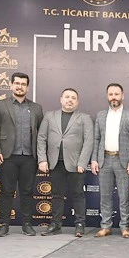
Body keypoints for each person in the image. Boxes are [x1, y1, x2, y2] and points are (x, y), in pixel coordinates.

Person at [0, 72, 44, 237]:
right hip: (7, 156)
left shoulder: (36, 108)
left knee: (27, 192)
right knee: (6, 191)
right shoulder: (0, 105)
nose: (20, 86)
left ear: (27, 87)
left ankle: (27, 224)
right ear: (11, 85)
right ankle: (4, 224)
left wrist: (41, 156)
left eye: (23, 84)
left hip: (29, 157)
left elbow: (41, 134)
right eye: (17, 83)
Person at [37, 88, 94, 237]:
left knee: (78, 194)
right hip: (55, 163)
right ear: (61, 99)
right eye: (67, 97)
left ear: (77, 102)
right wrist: (42, 159)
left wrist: (82, 162)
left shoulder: (85, 118)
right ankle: (55, 224)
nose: (70, 100)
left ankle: (80, 224)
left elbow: (89, 141)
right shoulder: (49, 116)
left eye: (73, 98)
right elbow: (41, 138)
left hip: (76, 164)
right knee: (56, 195)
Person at [91, 83, 129, 238]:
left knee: (124, 197)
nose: (114, 97)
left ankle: (125, 227)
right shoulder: (100, 115)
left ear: (122, 96)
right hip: (104, 159)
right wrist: (94, 159)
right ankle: (106, 226)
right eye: (111, 94)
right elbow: (96, 139)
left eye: (116, 94)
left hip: (123, 161)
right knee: (105, 196)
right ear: (107, 96)